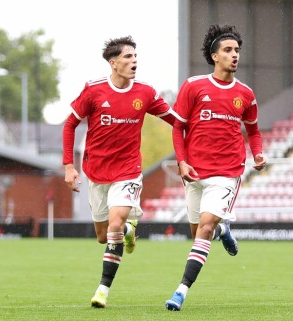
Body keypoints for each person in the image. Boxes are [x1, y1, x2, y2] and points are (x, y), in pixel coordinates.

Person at [63, 36, 177, 308]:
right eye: (127, 57)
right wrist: (69, 165)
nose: (134, 61)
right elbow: (69, 125)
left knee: (113, 226)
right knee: (104, 235)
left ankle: (102, 289)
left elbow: (175, 119)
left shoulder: (146, 92)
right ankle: (128, 230)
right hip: (96, 172)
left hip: (128, 171)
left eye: (135, 56)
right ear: (113, 63)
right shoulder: (93, 90)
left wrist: (199, 129)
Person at [165, 24, 267, 311]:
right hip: (194, 172)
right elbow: (178, 128)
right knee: (199, 229)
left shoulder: (245, 94)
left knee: (204, 227)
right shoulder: (194, 86)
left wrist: (257, 154)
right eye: (228, 50)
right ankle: (224, 232)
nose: (234, 55)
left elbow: (254, 131)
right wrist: (182, 162)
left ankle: (180, 291)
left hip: (228, 172)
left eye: (237, 50)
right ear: (214, 56)